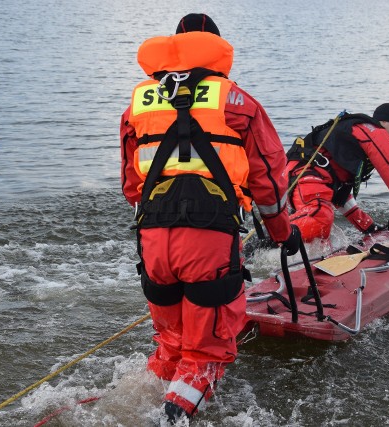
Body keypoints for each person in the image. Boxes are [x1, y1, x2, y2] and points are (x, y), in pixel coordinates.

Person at [119, 13, 300, 424]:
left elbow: (131, 186)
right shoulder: (239, 102)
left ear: (175, 44)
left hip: (152, 240)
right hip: (208, 239)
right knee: (208, 350)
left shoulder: (138, 103)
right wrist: (282, 233)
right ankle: (173, 415)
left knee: (171, 344)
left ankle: (133, 401)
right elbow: (269, 182)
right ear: (216, 48)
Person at [285, 103, 389, 246]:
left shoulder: (353, 133)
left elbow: (339, 195)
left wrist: (368, 227)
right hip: (304, 178)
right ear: (384, 122)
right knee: (321, 218)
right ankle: (274, 239)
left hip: (295, 179)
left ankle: (284, 243)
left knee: (320, 235)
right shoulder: (374, 132)